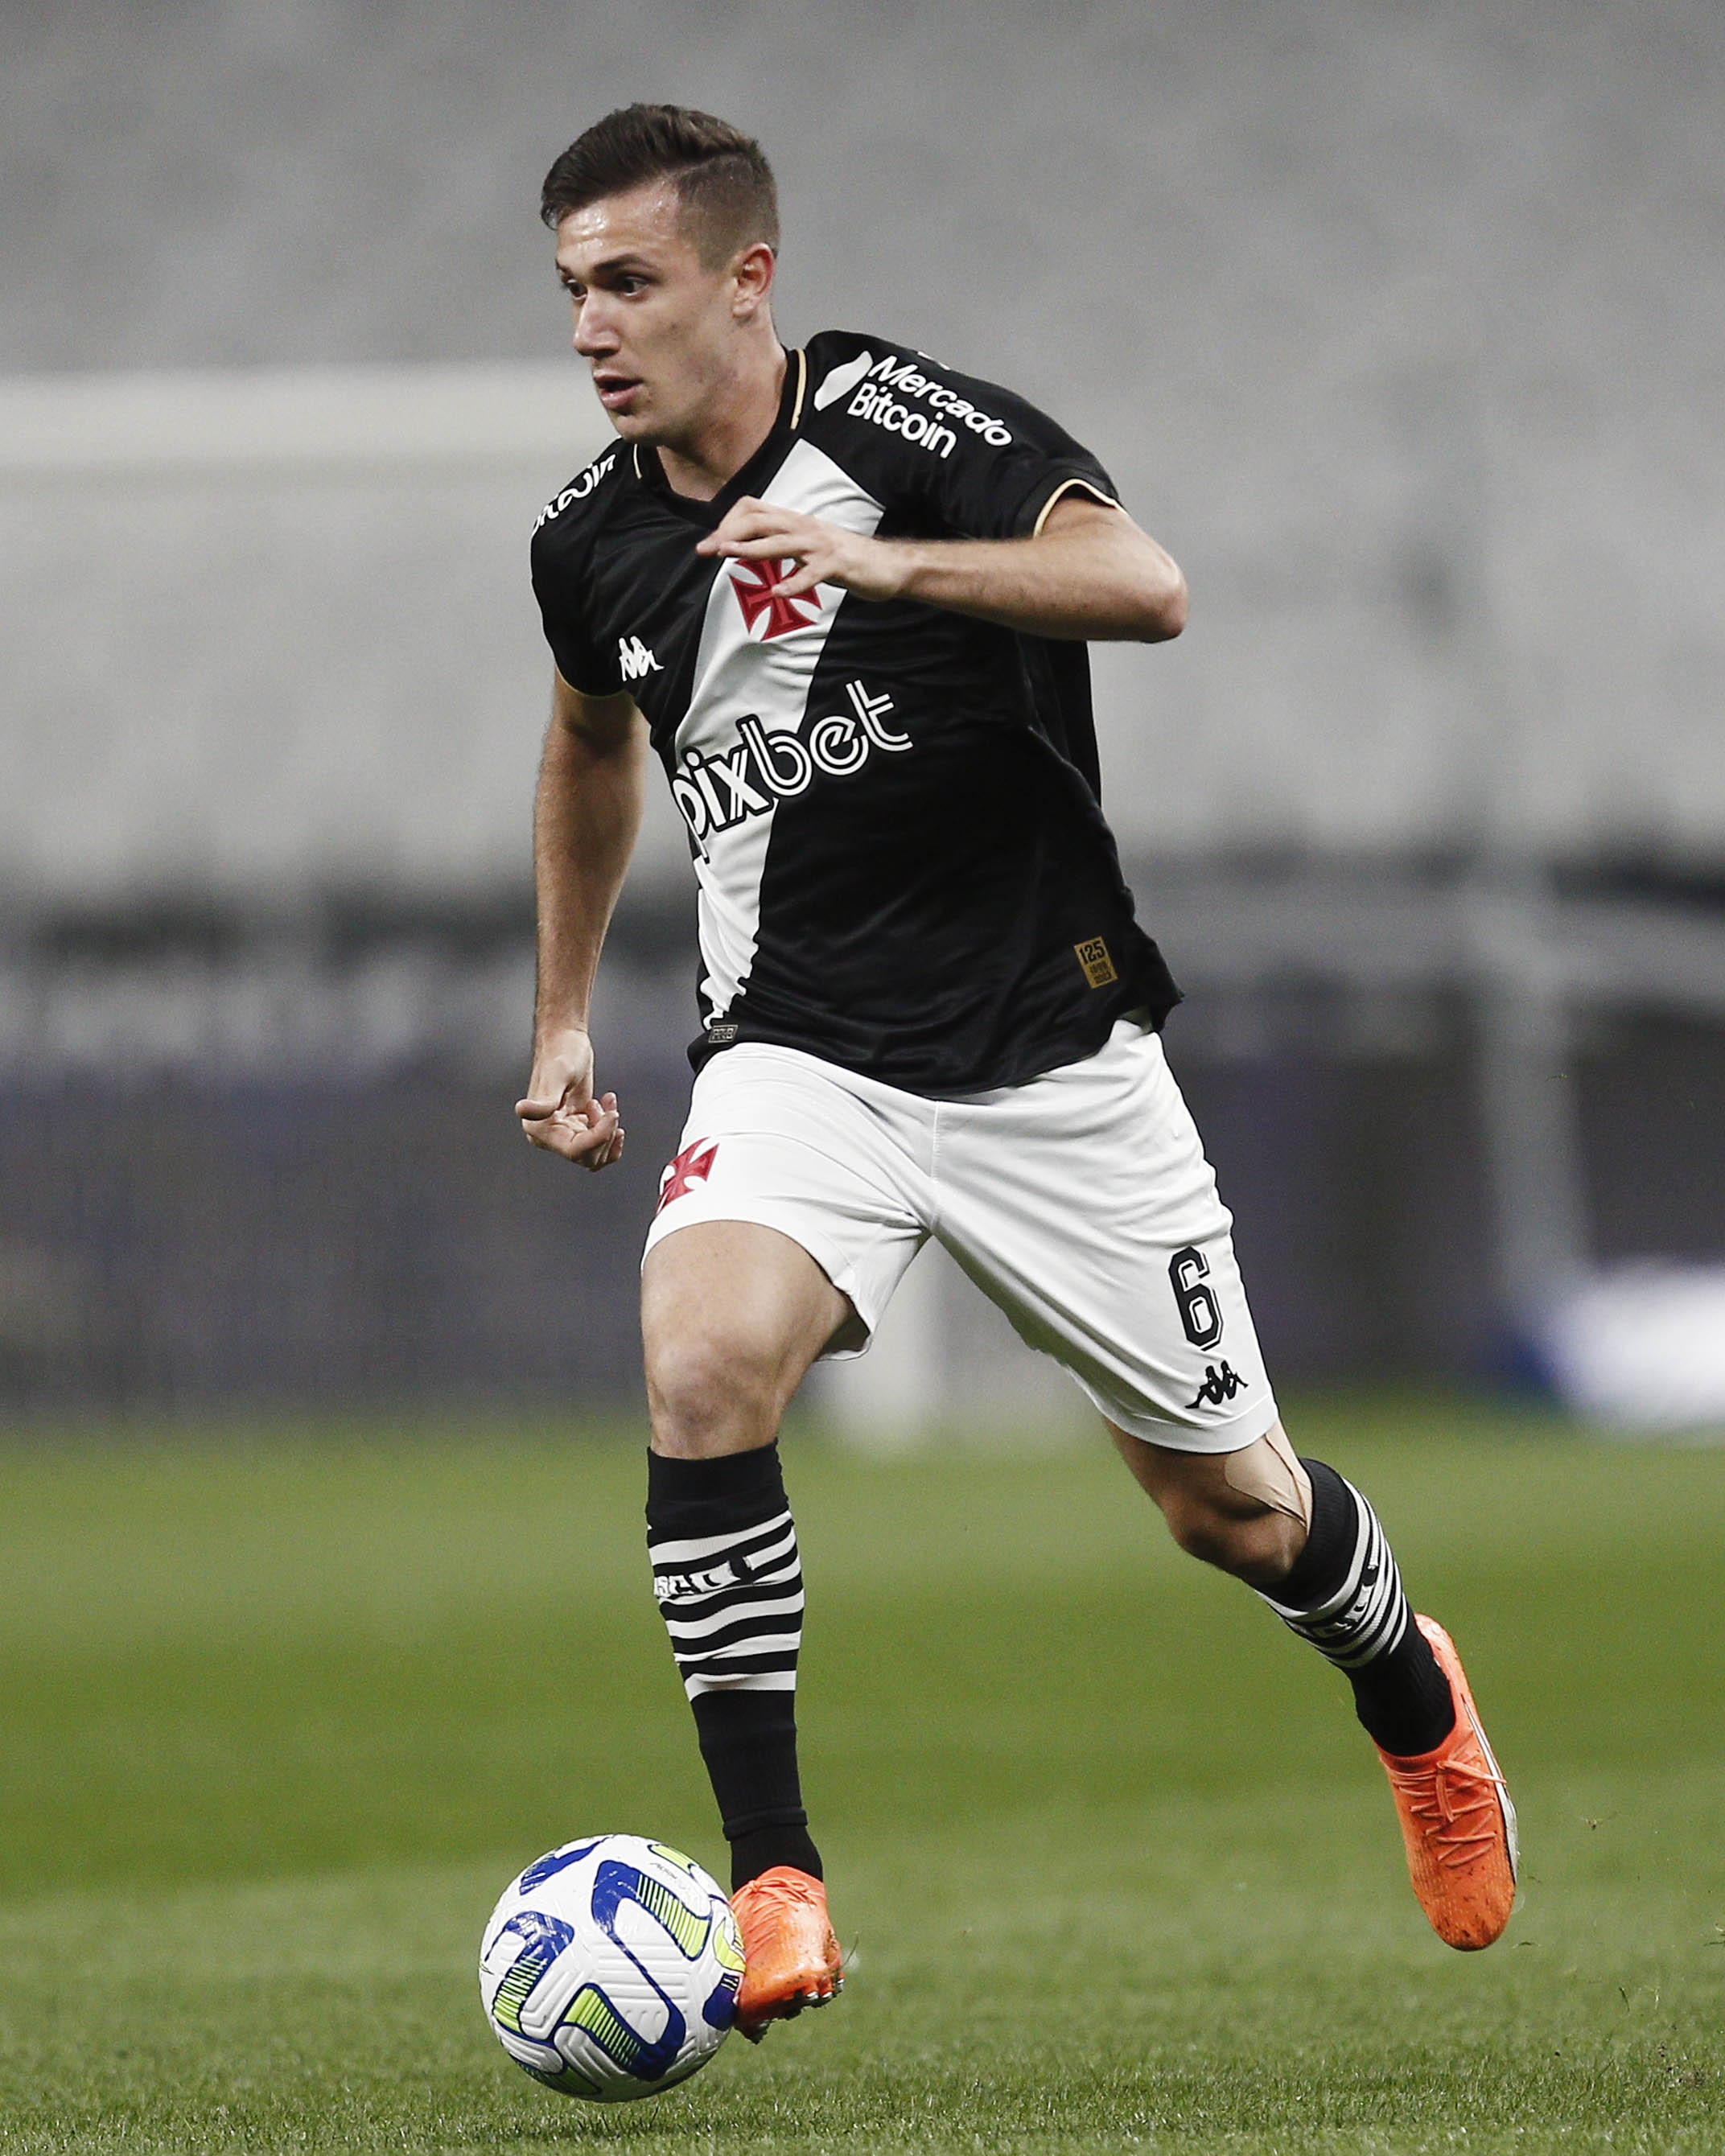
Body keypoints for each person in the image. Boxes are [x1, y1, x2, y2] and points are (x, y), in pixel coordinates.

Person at [517, 103, 1517, 2041]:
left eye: (628, 281)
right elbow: (584, 744)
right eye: (570, 290)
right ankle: (774, 1876)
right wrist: (561, 1014)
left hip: (1048, 1055)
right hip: (798, 1049)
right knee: (700, 1360)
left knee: (1234, 1513)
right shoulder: (589, 537)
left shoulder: (914, 430)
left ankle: (1413, 1694)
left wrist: (881, 565)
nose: (591, 329)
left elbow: (1147, 585)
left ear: (745, 277)